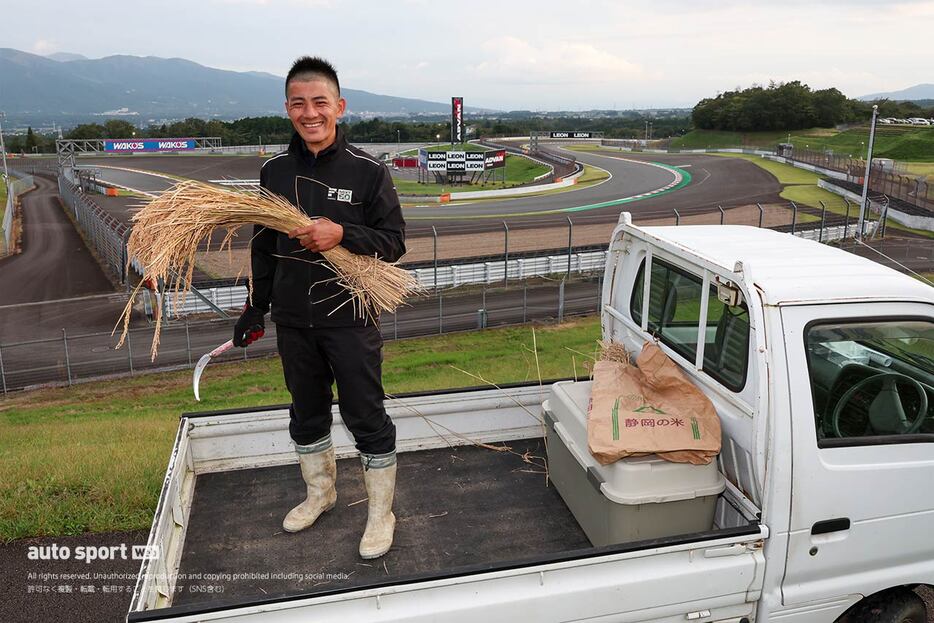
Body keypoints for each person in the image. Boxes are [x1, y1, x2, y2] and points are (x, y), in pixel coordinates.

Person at [233, 56, 406, 560]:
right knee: (306, 413)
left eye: (320, 102)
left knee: (365, 415)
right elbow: (263, 248)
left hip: (349, 321)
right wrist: (254, 308)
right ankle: (321, 493)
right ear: (287, 109)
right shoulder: (273, 171)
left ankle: (381, 512)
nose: (310, 112)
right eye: (298, 103)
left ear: (339, 107)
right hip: (292, 321)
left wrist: (342, 234)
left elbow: (394, 242)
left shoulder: (369, 172)